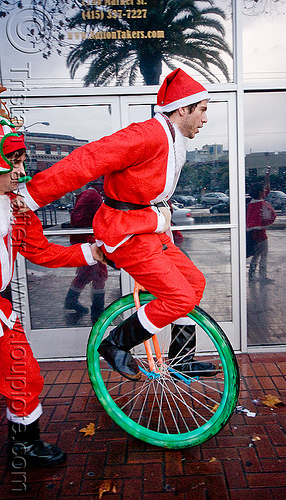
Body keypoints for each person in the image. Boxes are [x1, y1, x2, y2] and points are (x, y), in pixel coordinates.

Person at [18, 68, 218, 381]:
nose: (205, 118)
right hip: (125, 233)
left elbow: (152, 193)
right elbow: (88, 159)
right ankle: (115, 345)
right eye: (203, 110)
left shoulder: (173, 138)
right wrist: (29, 196)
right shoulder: (147, 134)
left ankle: (181, 359)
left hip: (148, 230)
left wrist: (163, 222)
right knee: (179, 297)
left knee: (195, 284)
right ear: (184, 108)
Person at [0, 114, 105, 468]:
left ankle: (23, 445)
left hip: (1, 310)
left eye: (21, 161)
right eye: (12, 162)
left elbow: (41, 251)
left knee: (22, 373)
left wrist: (92, 252)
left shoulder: (16, 208)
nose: (21, 171)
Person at [64, 180, 108, 324]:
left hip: (82, 241)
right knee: (99, 276)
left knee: (83, 275)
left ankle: (71, 301)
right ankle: (97, 311)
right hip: (89, 242)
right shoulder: (94, 197)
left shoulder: (85, 194)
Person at [246, 167, 276, 284]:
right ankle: (262, 276)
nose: (265, 192)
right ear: (259, 192)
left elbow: (267, 189)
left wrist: (266, 178)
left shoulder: (251, 203)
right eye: (263, 190)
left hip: (252, 233)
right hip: (261, 234)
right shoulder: (261, 204)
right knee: (263, 255)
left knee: (256, 255)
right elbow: (271, 216)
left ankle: (252, 276)